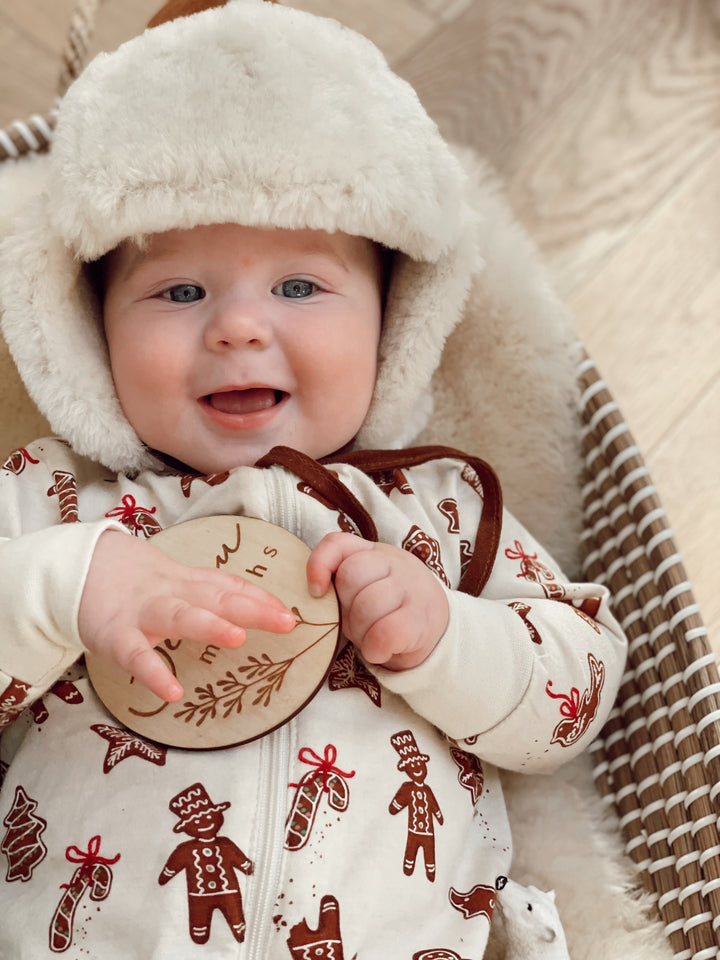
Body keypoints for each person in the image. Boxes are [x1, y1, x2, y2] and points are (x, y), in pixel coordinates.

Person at [0, 0, 627, 957]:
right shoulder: (53, 498)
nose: (240, 327)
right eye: (178, 290)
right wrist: (64, 586)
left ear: (394, 322)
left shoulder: (437, 507)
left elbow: (576, 688)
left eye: (299, 286)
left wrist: (447, 637)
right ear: (90, 330)